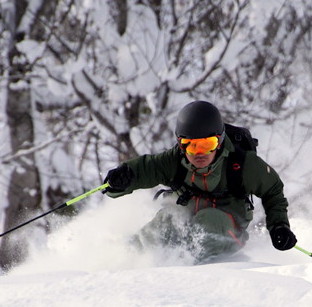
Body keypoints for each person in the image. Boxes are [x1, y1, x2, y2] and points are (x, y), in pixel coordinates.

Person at [102, 100, 297, 262]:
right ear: (181, 144)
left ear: (219, 141)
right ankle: (122, 260)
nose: (200, 153)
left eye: (207, 144)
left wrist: (279, 226)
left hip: (227, 230)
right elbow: (144, 169)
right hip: (186, 224)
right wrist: (120, 181)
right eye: (192, 146)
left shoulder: (242, 165)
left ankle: (189, 271)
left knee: (208, 220)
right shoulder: (174, 160)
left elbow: (273, 190)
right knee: (168, 219)